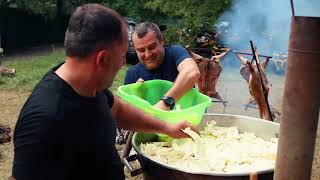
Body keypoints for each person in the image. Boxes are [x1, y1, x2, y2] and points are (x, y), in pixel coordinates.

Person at [12, 4, 197, 180]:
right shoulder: (44, 121)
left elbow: (118, 108)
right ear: (102, 58)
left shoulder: (88, 84)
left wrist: (166, 127)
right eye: (123, 55)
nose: (123, 63)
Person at [124, 22, 200, 111]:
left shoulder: (175, 53)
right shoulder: (132, 74)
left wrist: (165, 103)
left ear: (161, 41)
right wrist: (137, 97)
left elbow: (192, 72)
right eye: (141, 50)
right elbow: (128, 115)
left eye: (152, 47)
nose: (147, 54)